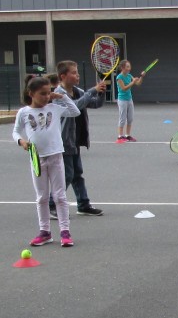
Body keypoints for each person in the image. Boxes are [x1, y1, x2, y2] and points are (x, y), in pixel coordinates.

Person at [14, 76, 80, 247]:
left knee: (59, 196)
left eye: (48, 92)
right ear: (31, 94)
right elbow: (15, 132)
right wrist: (21, 141)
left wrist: (62, 97)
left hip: (56, 156)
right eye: (42, 94)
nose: (46, 96)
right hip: (37, 158)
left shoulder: (54, 108)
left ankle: (65, 231)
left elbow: (75, 111)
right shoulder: (24, 112)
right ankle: (45, 232)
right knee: (42, 197)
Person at [49, 60, 106, 218]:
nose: (77, 75)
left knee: (77, 174)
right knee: (67, 174)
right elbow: (76, 106)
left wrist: (101, 93)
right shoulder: (58, 94)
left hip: (75, 139)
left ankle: (83, 205)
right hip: (64, 140)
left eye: (77, 72)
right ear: (63, 76)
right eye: (74, 73)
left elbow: (95, 103)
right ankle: (51, 204)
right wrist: (93, 90)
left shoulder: (78, 91)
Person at [115, 59, 143, 142]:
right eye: (127, 67)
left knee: (130, 118)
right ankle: (120, 136)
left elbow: (138, 83)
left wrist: (142, 77)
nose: (129, 68)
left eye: (129, 66)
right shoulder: (119, 77)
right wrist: (133, 82)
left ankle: (127, 135)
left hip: (129, 99)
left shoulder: (129, 75)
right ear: (122, 68)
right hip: (122, 100)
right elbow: (124, 88)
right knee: (122, 119)